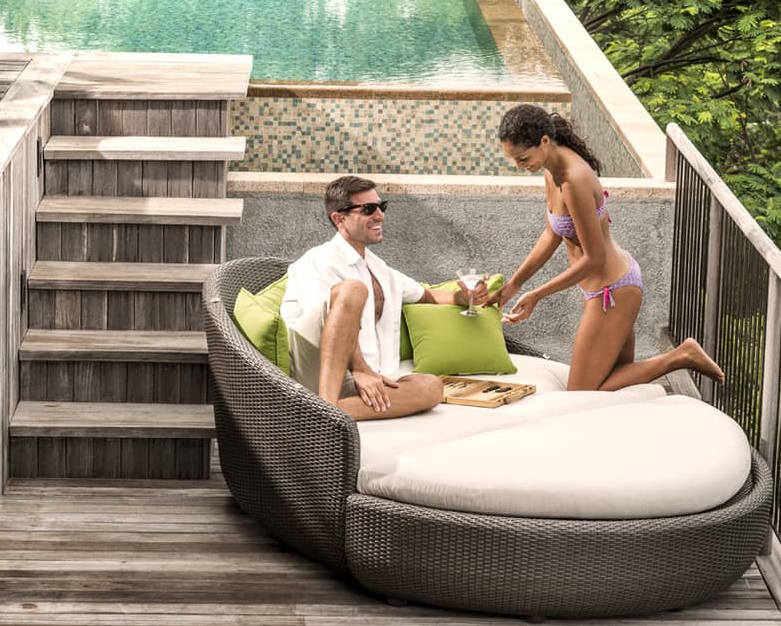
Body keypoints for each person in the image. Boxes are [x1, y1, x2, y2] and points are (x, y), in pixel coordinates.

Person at [494, 104, 724, 391]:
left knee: (581, 392)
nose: (520, 166)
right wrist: (514, 284)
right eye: (514, 159)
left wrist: (538, 294)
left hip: (612, 290)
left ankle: (680, 356)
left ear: (543, 140)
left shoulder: (573, 179)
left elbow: (594, 259)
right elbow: (552, 233)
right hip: (606, 287)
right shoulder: (550, 168)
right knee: (616, 380)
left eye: (523, 158)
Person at [281, 175, 491, 421]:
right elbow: (330, 322)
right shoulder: (318, 261)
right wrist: (361, 369)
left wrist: (462, 297)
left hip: (370, 376)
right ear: (339, 219)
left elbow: (423, 295)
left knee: (431, 387)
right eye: (368, 209)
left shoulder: (378, 268)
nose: (380, 215)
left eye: (382, 206)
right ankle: (328, 405)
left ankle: (329, 413)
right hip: (320, 370)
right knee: (353, 290)